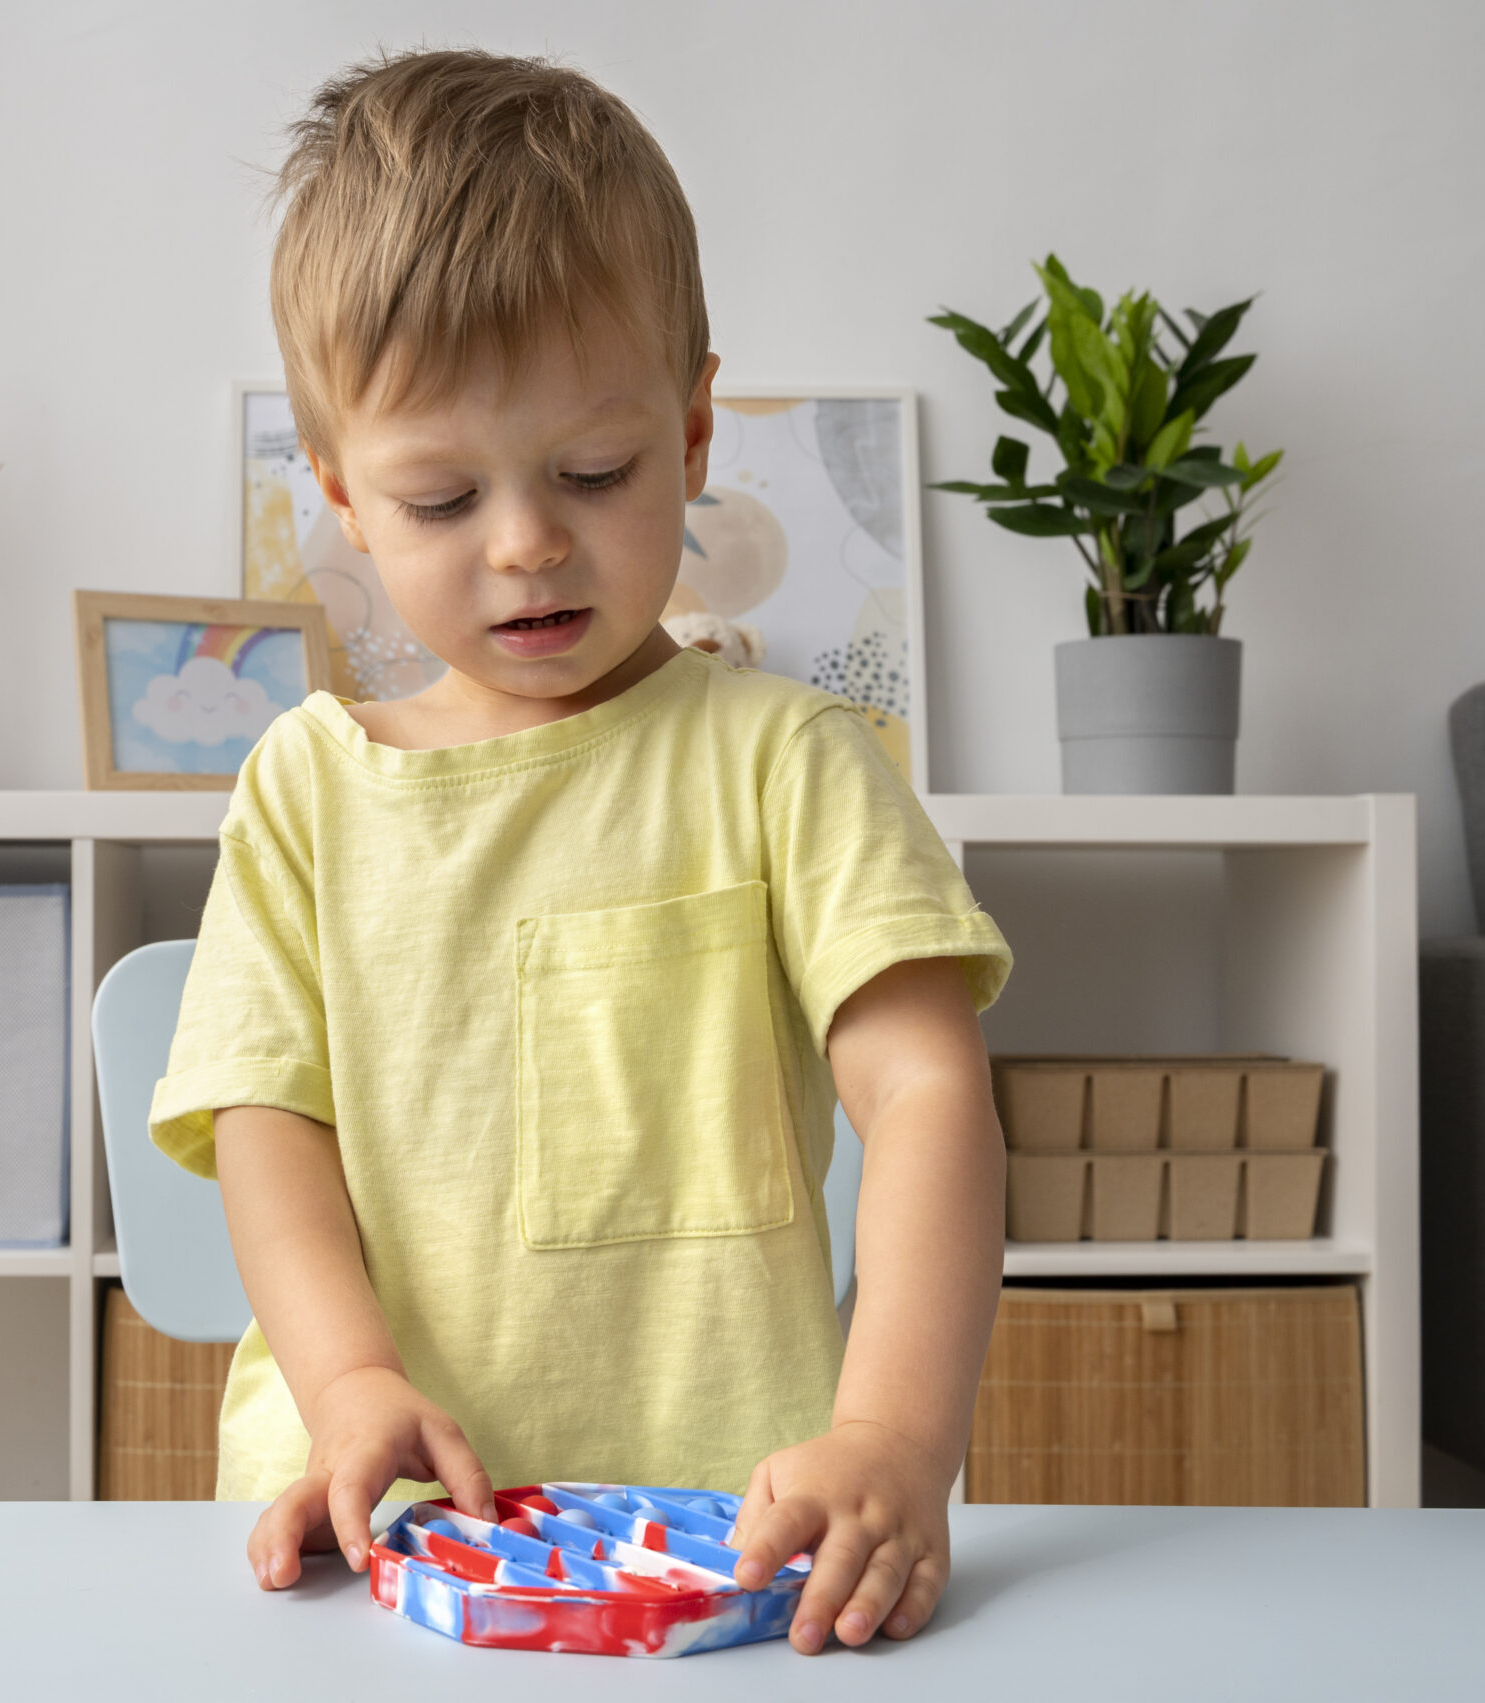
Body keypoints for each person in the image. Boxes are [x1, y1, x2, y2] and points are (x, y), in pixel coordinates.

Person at [148, 47, 1013, 1655]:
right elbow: (267, 1120)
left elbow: (926, 1092)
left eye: (593, 473)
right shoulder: (305, 789)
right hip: (372, 1534)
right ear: (340, 495)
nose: (527, 541)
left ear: (692, 437)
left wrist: (897, 1439)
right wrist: (347, 1390)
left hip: (729, 1550)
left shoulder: (788, 762)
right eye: (438, 497)